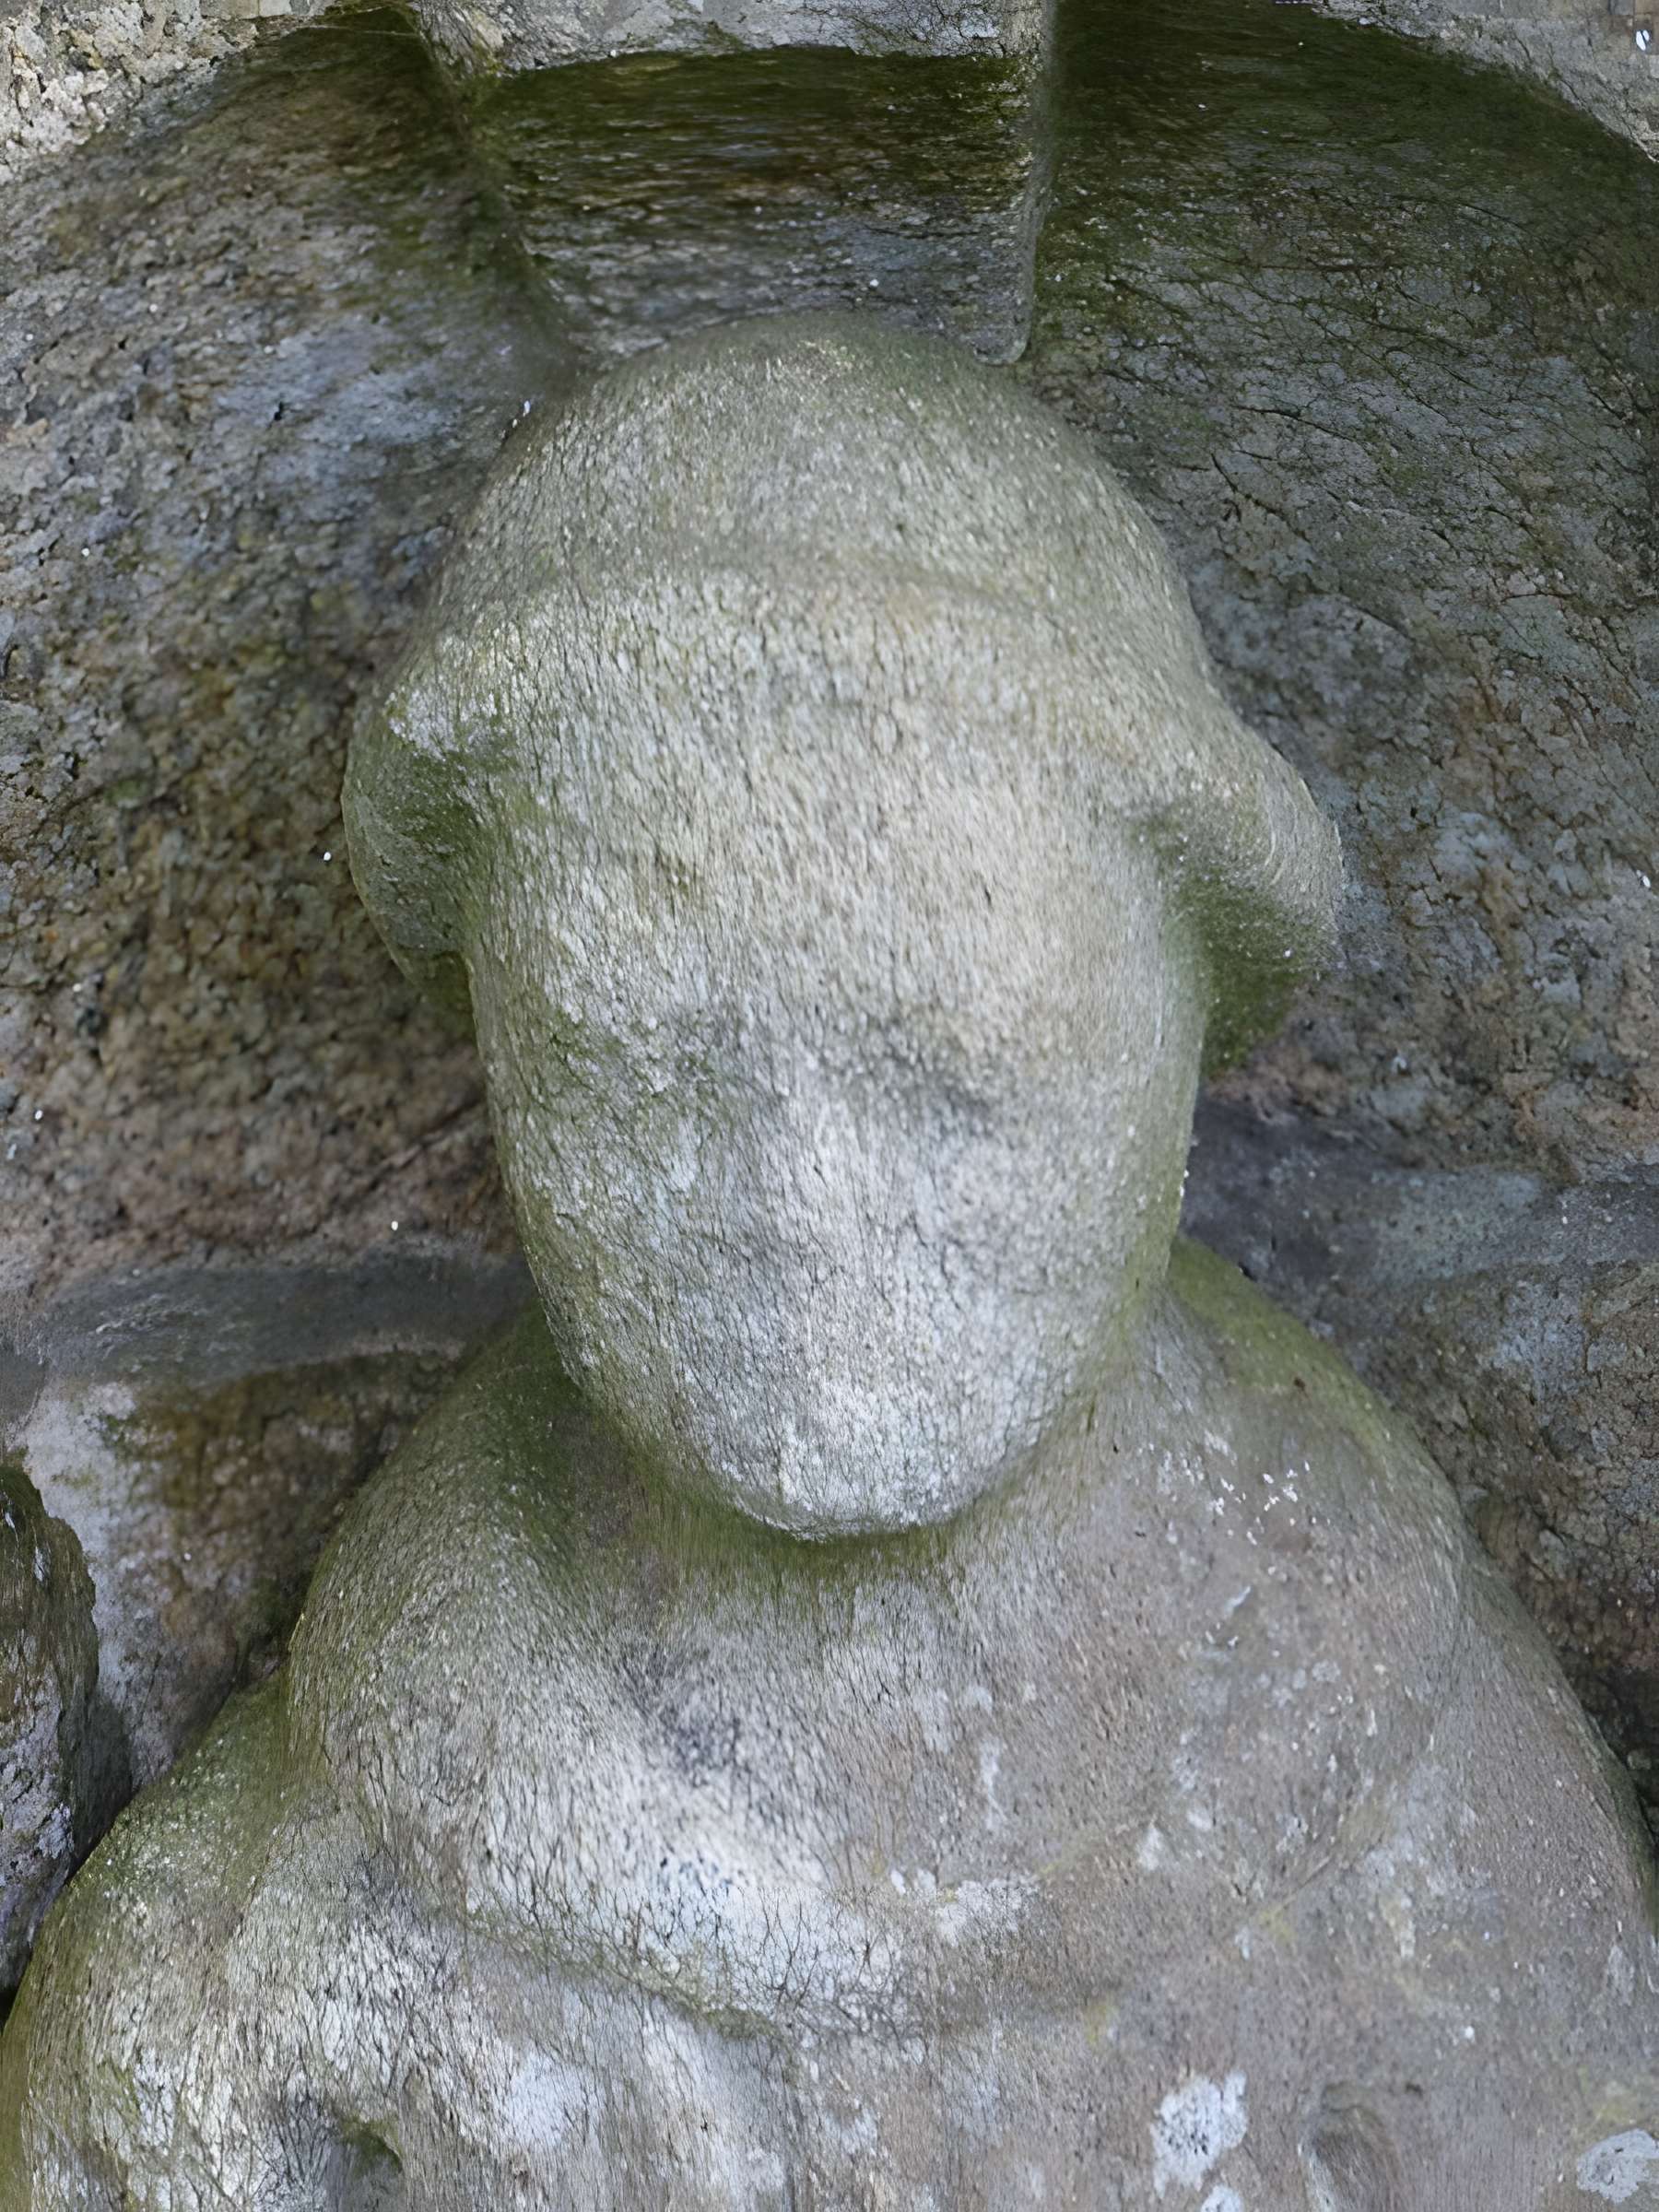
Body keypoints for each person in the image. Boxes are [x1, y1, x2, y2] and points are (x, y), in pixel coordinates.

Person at [4, 315, 1653, 2210]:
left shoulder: (1412, 1800)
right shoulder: (304, 1909)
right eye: (644, 1087)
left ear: (1173, 1051)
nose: (802, 1215)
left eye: (953, 1087)